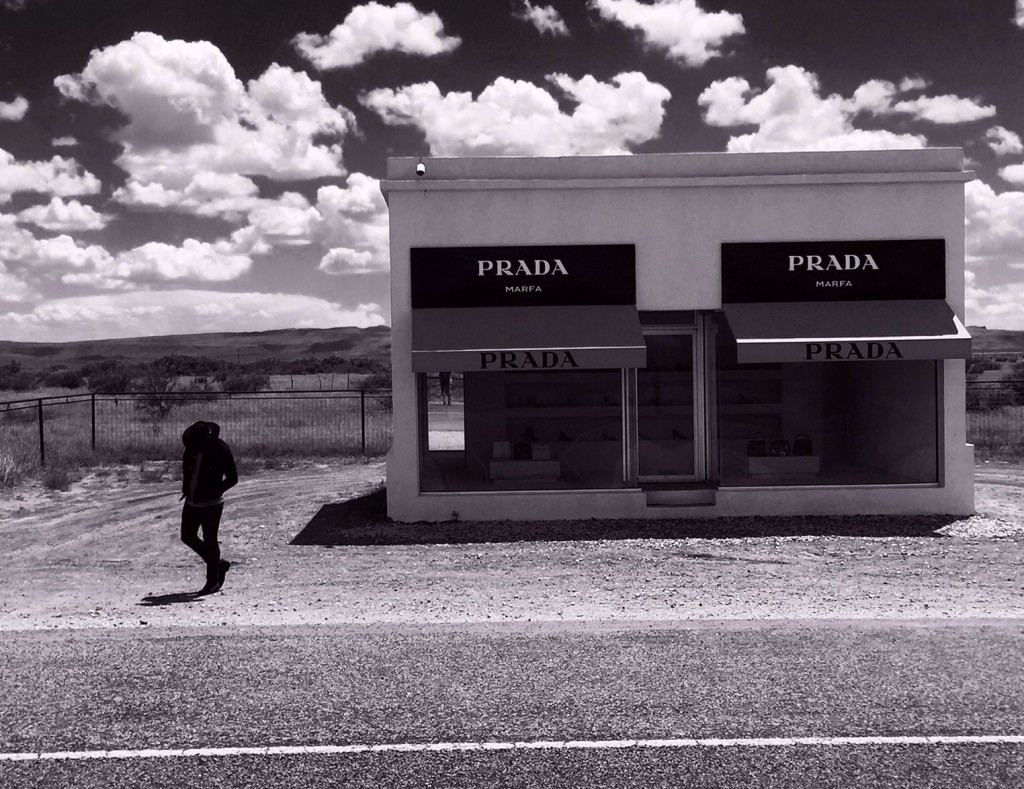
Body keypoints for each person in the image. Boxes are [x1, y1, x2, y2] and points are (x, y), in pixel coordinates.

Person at [180, 420, 237, 594]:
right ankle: (218, 564)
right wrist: (186, 487)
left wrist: (214, 491)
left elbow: (233, 478)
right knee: (187, 536)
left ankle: (213, 581)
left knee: (210, 539)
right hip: (192, 501)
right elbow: (186, 468)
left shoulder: (221, 450)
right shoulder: (191, 447)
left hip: (212, 504)